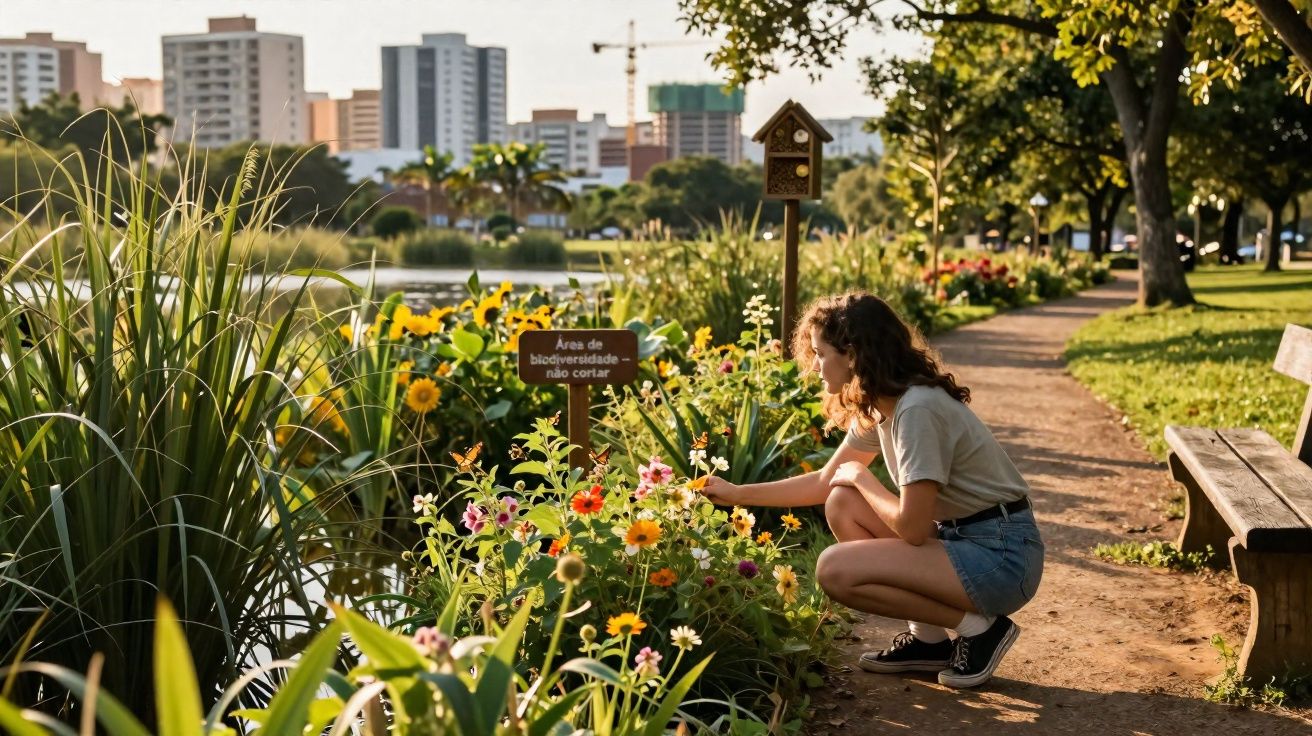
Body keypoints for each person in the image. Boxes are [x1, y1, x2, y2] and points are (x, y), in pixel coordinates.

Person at [701, 291, 1044, 688]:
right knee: (841, 501)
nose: (814, 365)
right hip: (964, 540)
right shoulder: (882, 406)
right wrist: (737, 493)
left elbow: (913, 529)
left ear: (852, 353)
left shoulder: (917, 409)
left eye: (820, 353)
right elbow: (822, 481)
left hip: (1002, 556)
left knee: (834, 568)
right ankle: (928, 641)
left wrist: (863, 478)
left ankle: (980, 629)